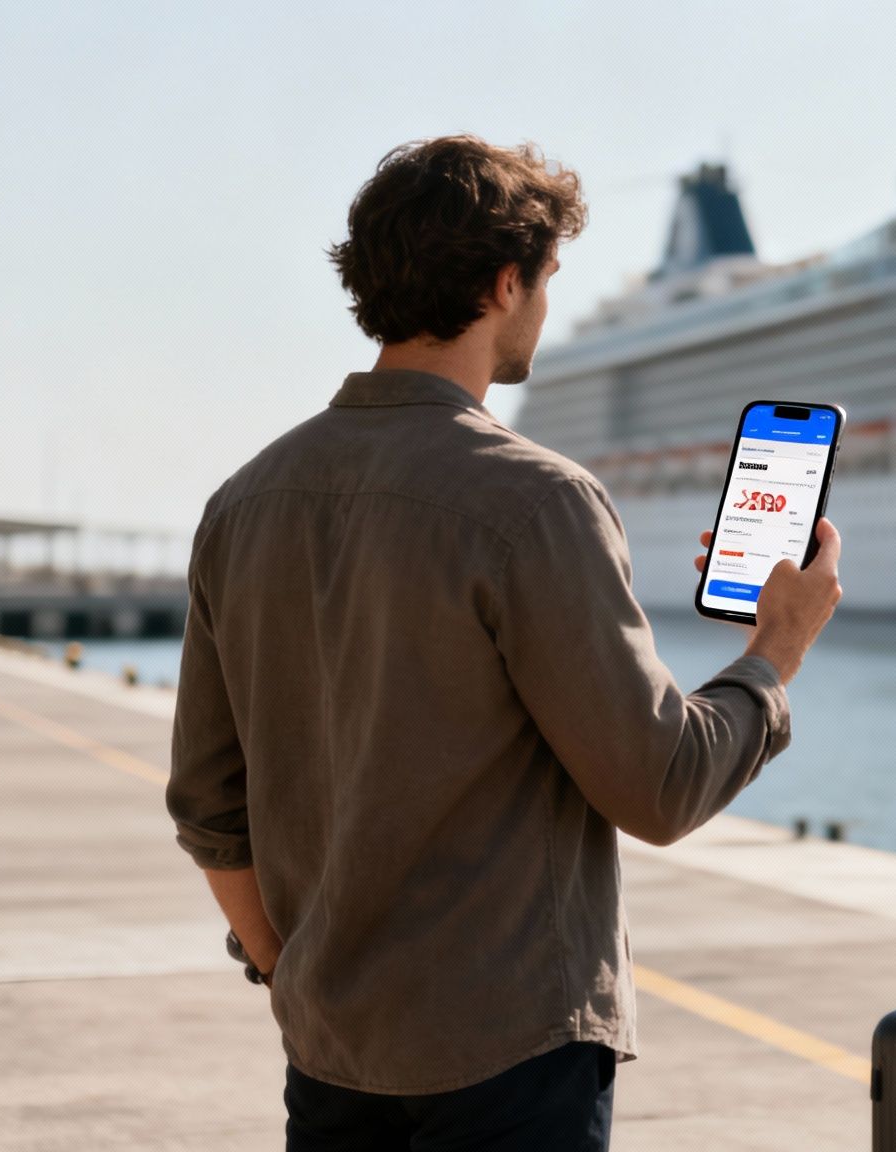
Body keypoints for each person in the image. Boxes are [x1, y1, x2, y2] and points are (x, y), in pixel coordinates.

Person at [164, 135, 843, 1152]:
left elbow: (210, 809)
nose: (544, 311)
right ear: (501, 282)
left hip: (329, 1051)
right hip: (509, 1058)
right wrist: (771, 656)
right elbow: (659, 786)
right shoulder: (535, 500)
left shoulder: (244, 500)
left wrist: (285, 971)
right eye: (546, 281)